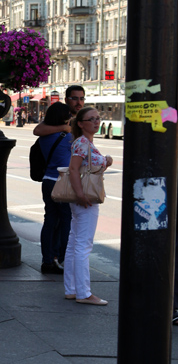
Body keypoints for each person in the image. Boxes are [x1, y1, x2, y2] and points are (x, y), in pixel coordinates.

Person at [63, 106, 113, 305]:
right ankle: (84, 293)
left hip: (82, 198)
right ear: (81, 123)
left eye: (98, 118)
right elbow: (73, 169)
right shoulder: (83, 143)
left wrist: (105, 161)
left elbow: (84, 167)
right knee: (83, 245)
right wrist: (81, 195)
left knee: (74, 243)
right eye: (91, 119)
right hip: (86, 199)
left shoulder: (85, 143)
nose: (96, 122)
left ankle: (72, 289)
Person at [38, 102, 73, 275]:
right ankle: (62, 259)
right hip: (63, 181)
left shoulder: (45, 135)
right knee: (67, 220)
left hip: (48, 181)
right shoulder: (68, 137)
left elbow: (38, 130)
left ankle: (47, 260)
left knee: (50, 221)